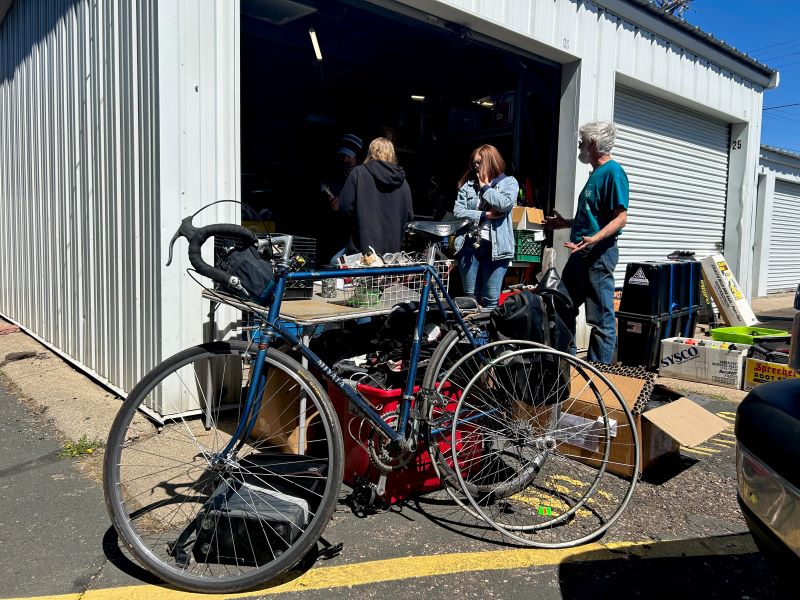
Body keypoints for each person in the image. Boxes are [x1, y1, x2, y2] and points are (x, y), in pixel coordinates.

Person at [544, 121, 629, 364]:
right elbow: (594, 216)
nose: (580, 145)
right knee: (562, 306)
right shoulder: (596, 174)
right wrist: (565, 223)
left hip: (599, 255)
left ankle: (597, 378)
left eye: (582, 140)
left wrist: (595, 238)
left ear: (592, 143)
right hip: (581, 254)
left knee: (601, 319)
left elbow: (621, 218)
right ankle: (566, 366)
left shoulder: (613, 172)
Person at [452, 145, 518, 309]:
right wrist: (484, 215)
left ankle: (487, 334)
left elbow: (503, 204)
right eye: (474, 163)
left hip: (497, 249)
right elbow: (458, 212)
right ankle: (471, 334)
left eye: (479, 163)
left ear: (490, 161)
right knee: (470, 298)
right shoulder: (468, 186)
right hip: (469, 245)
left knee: (491, 298)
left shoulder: (509, 183)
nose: (476, 167)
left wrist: (485, 188)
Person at [338, 137, 414, 256]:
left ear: (371, 152)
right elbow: (409, 216)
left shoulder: (358, 173)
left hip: (361, 253)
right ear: (392, 154)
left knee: (332, 264)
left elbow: (345, 208)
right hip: (391, 255)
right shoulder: (403, 182)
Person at [319, 133, 363, 264]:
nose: (344, 159)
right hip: (335, 229)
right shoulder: (335, 173)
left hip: (353, 232)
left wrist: (343, 202)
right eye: (342, 155)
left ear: (356, 157)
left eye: (348, 156)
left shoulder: (363, 175)